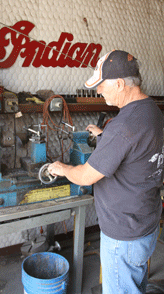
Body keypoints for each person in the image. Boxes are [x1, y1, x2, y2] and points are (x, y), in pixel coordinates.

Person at [48, 50, 164, 294]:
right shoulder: (152, 110)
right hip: (146, 223)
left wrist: (62, 168)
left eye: (101, 85)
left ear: (120, 84)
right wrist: (106, 138)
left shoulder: (122, 127)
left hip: (124, 234)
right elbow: (138, 148)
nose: (99, 91)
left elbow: (85, 176)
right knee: (135, 285)